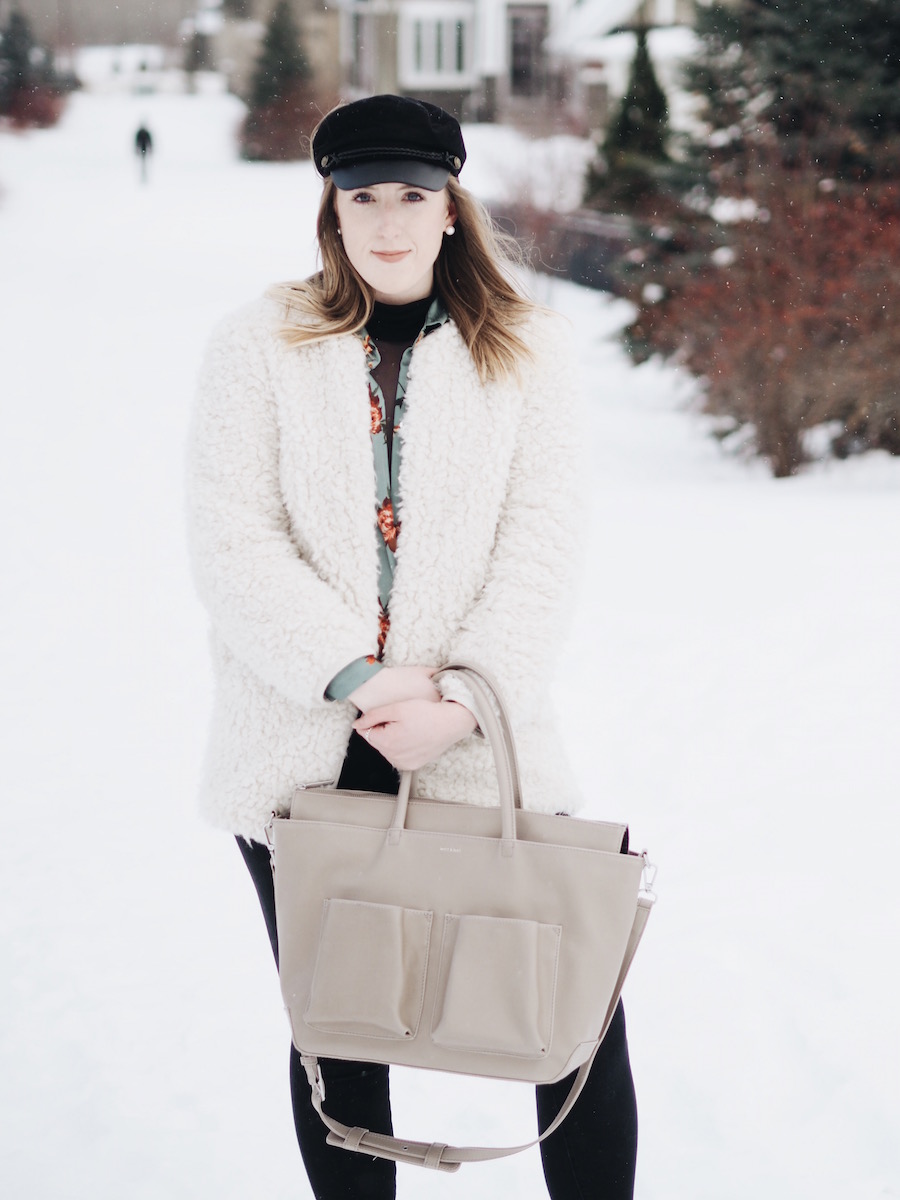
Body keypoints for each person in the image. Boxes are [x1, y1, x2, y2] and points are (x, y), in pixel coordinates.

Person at [187, 94, 637, 1199]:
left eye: (413, 195)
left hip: (483, 733)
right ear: (331, 210)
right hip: (304, 741)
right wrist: (364, 677)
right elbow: (231, 537)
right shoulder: (259, 341)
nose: (387, 221)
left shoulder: (525, 348)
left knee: (569, 1014)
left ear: (451, 207)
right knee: (339, 1033)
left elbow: (544, 548)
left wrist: (464, 700)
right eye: (362, 196)